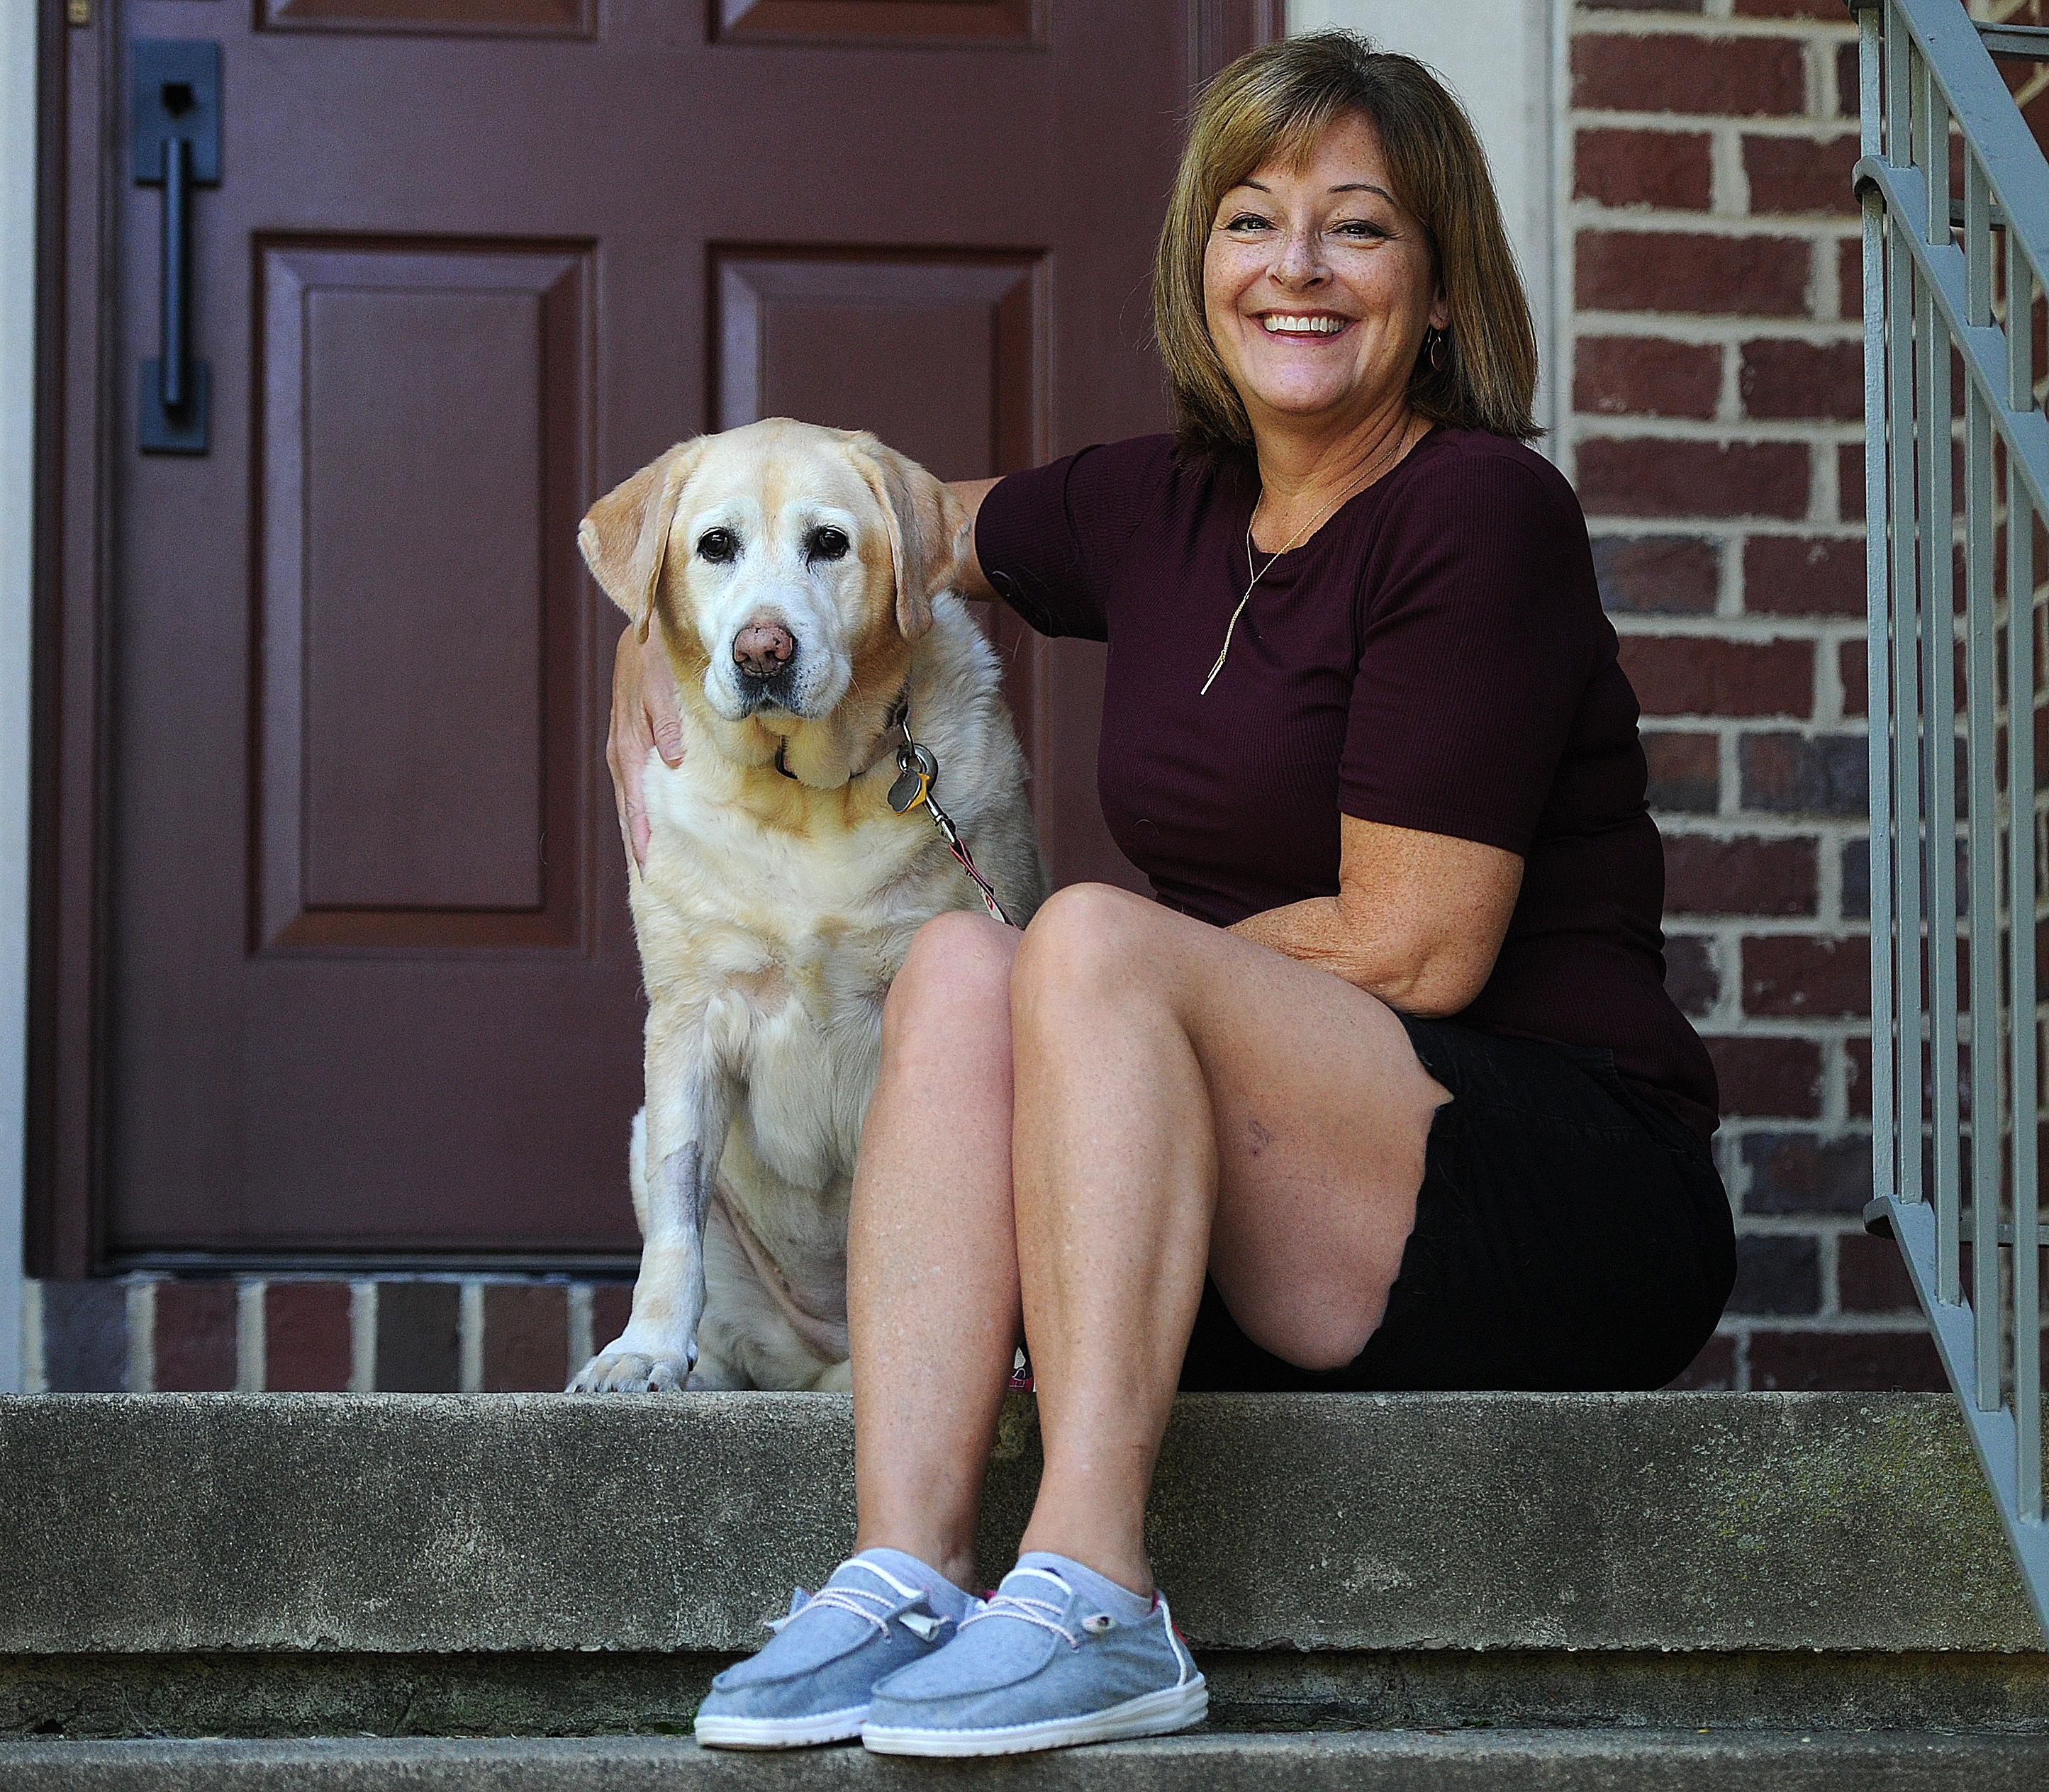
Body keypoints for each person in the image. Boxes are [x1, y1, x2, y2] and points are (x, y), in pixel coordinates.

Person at [606, 30, 1733, 1759]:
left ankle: (1102, 1595)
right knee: (969, 972)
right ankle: (902, 1568)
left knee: (1051, 945)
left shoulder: (1478, 515)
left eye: (1355, 228)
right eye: (1248, 219)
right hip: (1261, 1185)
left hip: (1535, 1180)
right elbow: (888, 527)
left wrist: (1101, 981)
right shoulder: (1160, 502)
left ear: (1435, 290)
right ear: (1197, 262)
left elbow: (1418, 943)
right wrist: (662, 647)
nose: (1292, 267)